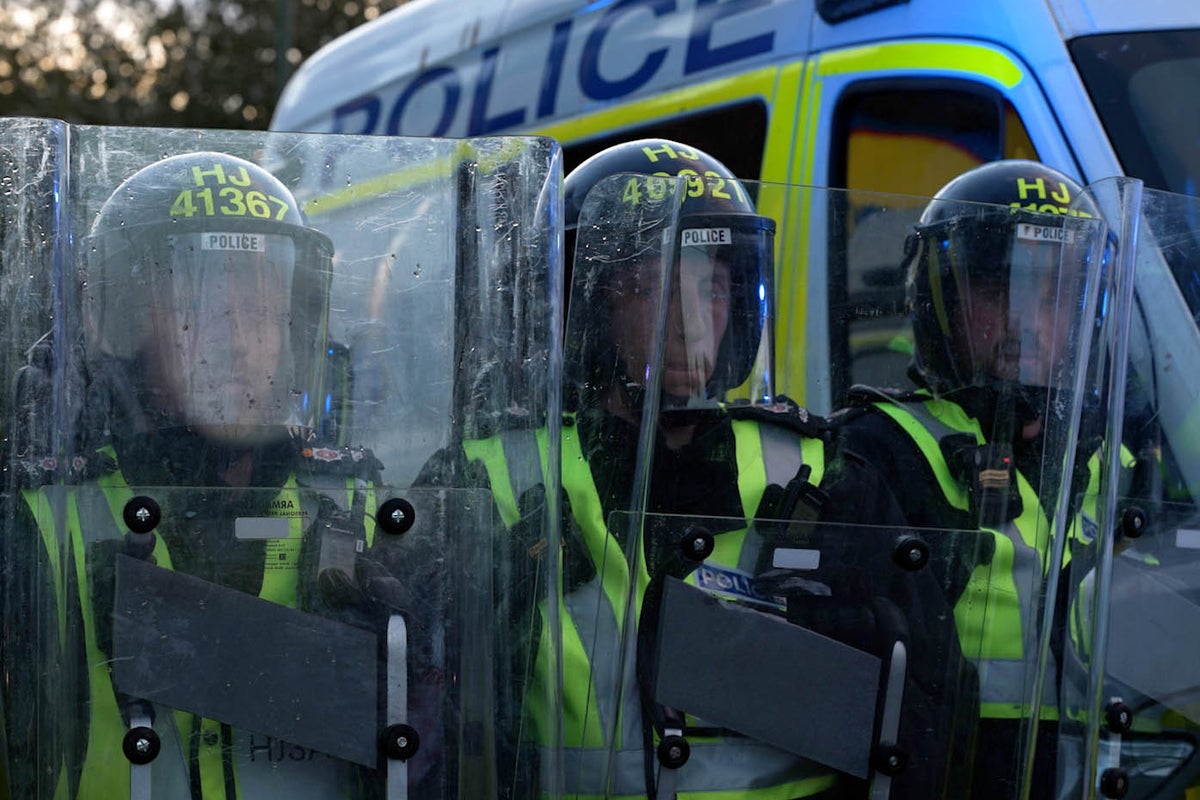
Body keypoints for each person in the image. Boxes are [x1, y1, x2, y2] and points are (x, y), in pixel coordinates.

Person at [417, 138, 975, 799]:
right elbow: (426, 735)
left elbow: (932, 712)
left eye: (711, 287)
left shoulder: (822, 473)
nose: (690, 326)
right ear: (588, 304)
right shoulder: (489, 478)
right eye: (653, 289)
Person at [3, 150, 452, 799]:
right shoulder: (41, 522)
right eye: (199, 295)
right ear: (130, 323)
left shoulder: (355, 506)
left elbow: (440, 755)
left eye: (262, 296)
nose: (240, 336)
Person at [829, 158, 1113, 798]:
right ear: (937, 302)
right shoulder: (876, 452)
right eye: (995, 291)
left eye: (1055, 296)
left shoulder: (1127, 462)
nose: (1025, 324)